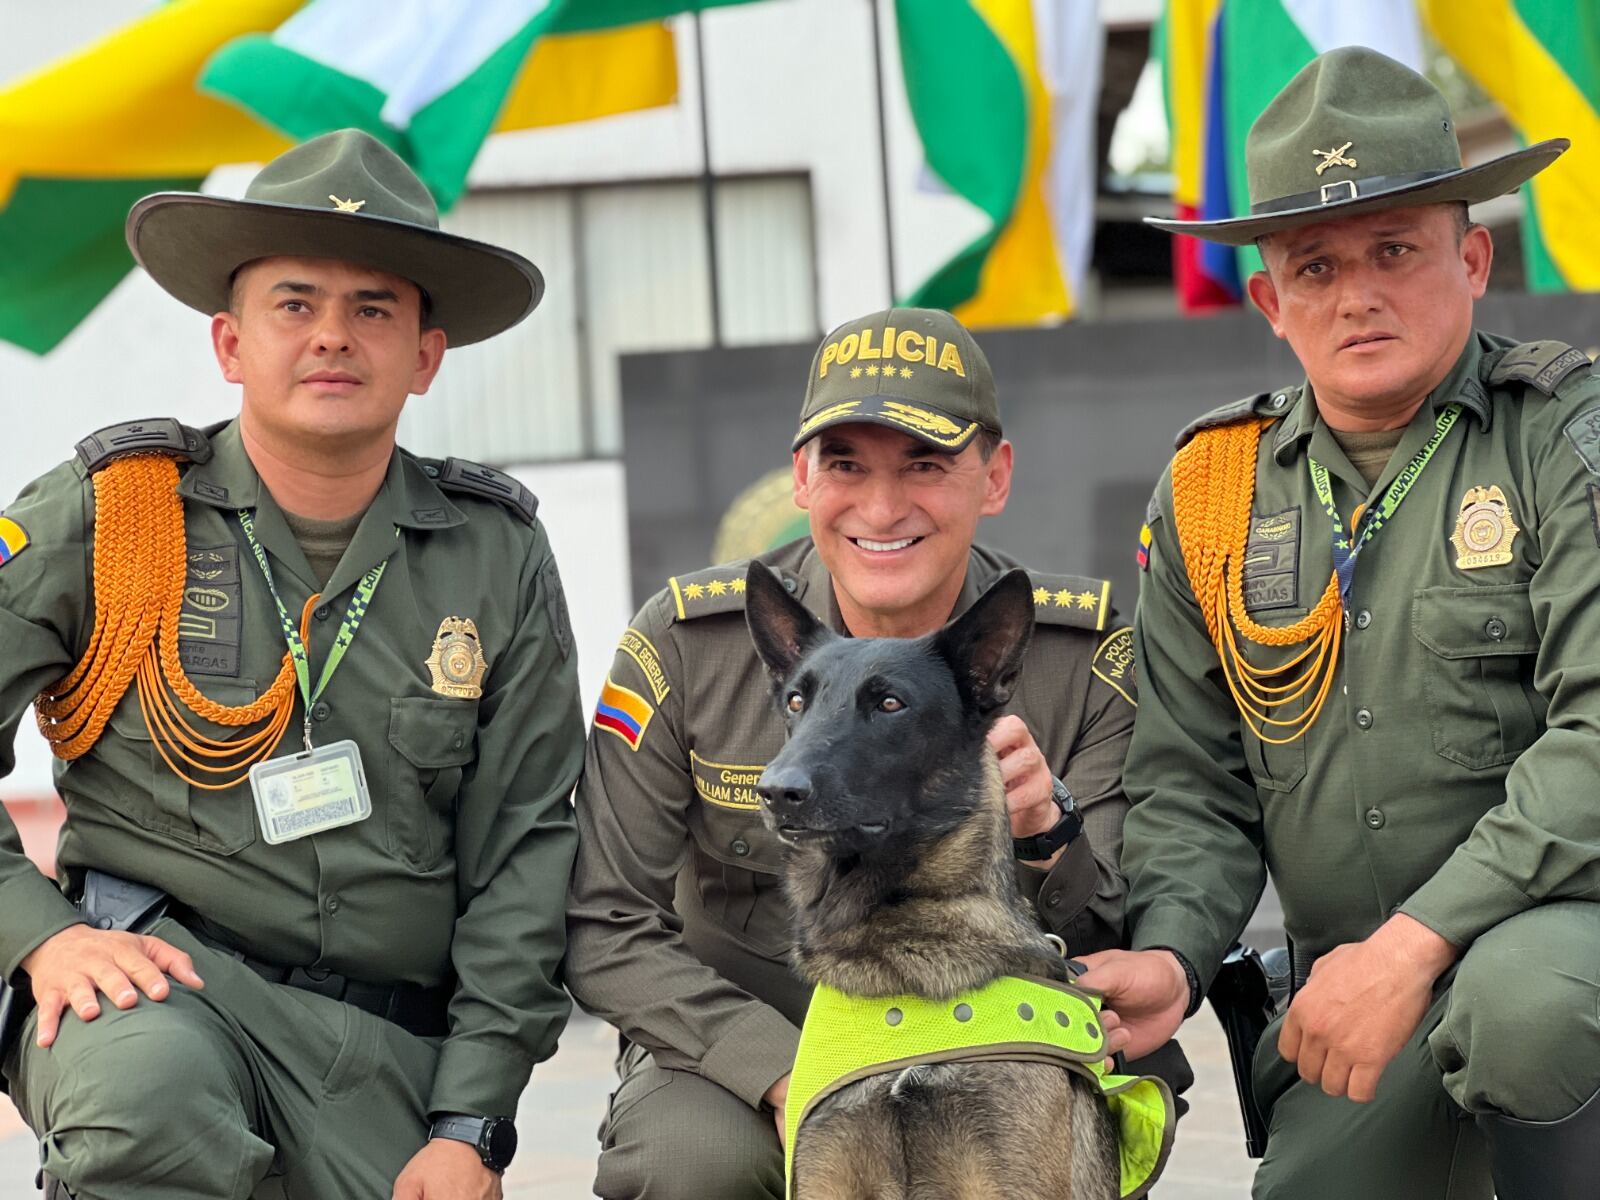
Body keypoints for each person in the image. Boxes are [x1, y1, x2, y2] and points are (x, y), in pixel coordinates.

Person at [0, 130, 584, 1200]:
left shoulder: (493, 551)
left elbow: (526, 852)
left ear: (424, 356)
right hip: (164, 986)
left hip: (384, 1043)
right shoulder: (114, 514)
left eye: (373, 309)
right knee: (149, 1114)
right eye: (294, 304)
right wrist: (35, 935)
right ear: (229, 343)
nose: (332, 338)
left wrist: (473, 1122)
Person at [1078, 46, 1598, 1199]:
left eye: (1396, 250)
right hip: (1349, 1005)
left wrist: (1412, 947)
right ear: (1270, 302)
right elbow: (1189, 785)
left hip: (1560, 952)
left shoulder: (1563, 436)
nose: (1357, 293)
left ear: (1472, 258)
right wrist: (1172, 953)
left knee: (1526, 1010)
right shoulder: (1215, 490)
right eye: (1314, 265)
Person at [567, 306, 1183, 1198]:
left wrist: (1047, 833)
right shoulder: (688, 642)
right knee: (689, 1164)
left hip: (1000, 1022)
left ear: (995, 475)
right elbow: (604, 919)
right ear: (802, 479)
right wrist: (791, 1071)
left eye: (925, 466)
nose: (883, 508)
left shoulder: (1074, 652)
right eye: (846, 465)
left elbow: (1119, 924)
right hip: (760, 1029)